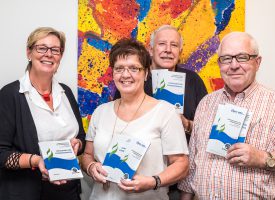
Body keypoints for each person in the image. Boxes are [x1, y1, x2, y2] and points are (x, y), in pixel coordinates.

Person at [178, 32, 275, 199]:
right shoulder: (206, 103)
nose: (233, 65)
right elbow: (193, 165)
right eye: (226, 58)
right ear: (219, 64)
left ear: (257, 62)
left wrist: (263, 158)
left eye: (242, 57)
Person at [82, 38, 189, 200]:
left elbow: (181, 164)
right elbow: (87, 154)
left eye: (134, 68)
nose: (126, 75)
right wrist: (90, 167)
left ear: (146, 73)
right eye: (119, 69)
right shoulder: (100, 112)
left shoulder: (165, 112)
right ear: (113, 73)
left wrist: (154, 181)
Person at [0, 27, 86, 200]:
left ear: (60, 56)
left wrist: (78, 144)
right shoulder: (9, 95)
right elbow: (1, 153)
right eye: (42, 48)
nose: (49, 54)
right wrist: (37, 161)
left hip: (68, 192)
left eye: (55, 50)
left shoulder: (66, 92)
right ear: (29, 52)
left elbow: (81, 137)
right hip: (28, 192)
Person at [115, 25, 208, 141]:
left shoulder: (193, 80)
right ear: (150, 49)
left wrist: (187, 125)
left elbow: (207, 129)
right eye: (162, 44)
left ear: (180, 51)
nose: (168, 50)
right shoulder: (133, 79)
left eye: (174, 45)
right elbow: (117, 122)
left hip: (183, 153)